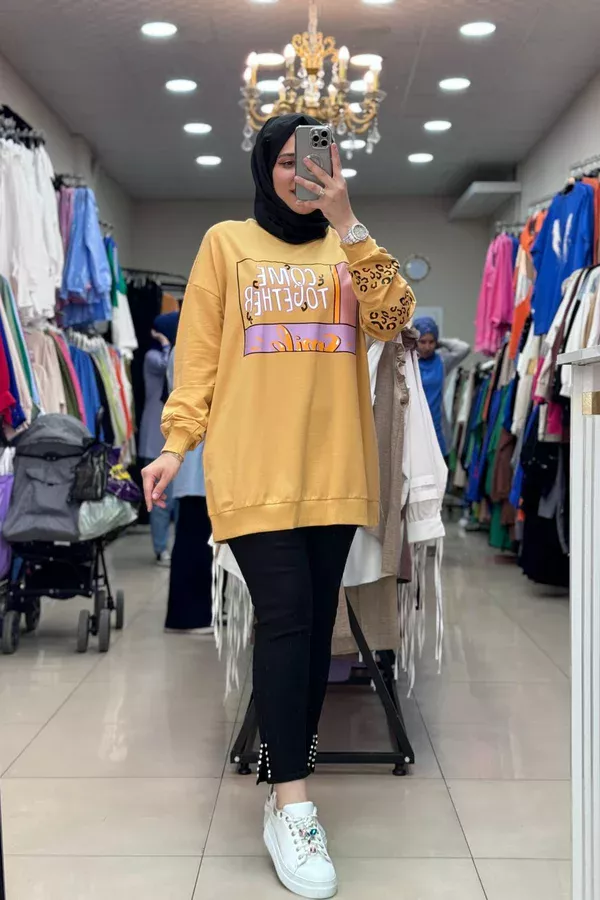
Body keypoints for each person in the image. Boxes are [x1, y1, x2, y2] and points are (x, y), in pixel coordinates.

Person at [142, 113, 416, 899]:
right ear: (265, 167)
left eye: (317, 160)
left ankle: (284, 781)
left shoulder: (349, 248)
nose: (303, 173)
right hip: (253, 471)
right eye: (289, 161)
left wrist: (349, 223)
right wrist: (175, 444)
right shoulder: (225, 244)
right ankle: (294, 803)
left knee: (311, 631)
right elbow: (197, 359)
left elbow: (394, 319)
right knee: (288, 618)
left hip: (334, 471)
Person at [164, 349, 213, 634]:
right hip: (196, 459)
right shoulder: (191, 349)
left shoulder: (182, 349)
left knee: (194, 537)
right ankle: (189, 616)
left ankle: (194, 613)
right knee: (195, 539)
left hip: (194, 460)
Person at [138, 311, 179, 566]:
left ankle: (174, 547)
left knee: (177, 500)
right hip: (156, 438)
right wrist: (166, 343)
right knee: (161, 498)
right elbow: (169, 367)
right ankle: (161, 548)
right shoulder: (153, 356)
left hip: (173, 437)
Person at [414, 315, 470, 459]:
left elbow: (464, 348)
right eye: (422, 342)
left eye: (431, 342)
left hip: (438, 428)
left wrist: (441, 342)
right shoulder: (406, 362)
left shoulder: (442, 361)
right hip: (413, 430)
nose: (427, 347)